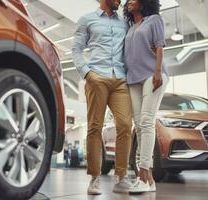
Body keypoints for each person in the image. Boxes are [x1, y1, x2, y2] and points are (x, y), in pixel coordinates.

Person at [72, 0, 133, 195]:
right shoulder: (87, 20)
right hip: (97, 76)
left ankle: (121, 177)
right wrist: (88, 74)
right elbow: (76, 50)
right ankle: (94, 178)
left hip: (120, 79)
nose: (121, 1)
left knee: (124, 124)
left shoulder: (124, 22)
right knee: (95, 127)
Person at [123, 0, 169, 193]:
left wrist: (157, 71)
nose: (130, 2)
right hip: (133, 79)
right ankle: (146, 179)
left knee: (147, 121)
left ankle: (143, 173)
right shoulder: (129, 26)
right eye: (128, 1)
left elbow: (159, 46)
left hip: (153, 75)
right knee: (139, 126)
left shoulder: (154, 20)